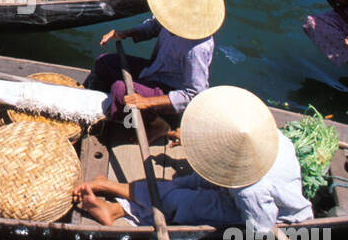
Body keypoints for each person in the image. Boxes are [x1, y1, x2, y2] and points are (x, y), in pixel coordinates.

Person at [75, 86, 312, 231]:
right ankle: (117, 198)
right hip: (237, 180)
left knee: (180, 201)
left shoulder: (251, 191)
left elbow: (261, 228)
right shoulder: (268, 134)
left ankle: (117, 207)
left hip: (263, 211)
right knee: (181, 183)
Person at [87, 0, 224, 142]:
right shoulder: (174, 14)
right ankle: (121, 105)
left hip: (169, 90)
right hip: (154, 70)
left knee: (120, 90)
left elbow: (194, 94)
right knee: (103, 61)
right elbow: (153, 26)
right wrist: (124, 33)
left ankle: (156, 123)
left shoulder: (197, 48)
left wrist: (147, 102)